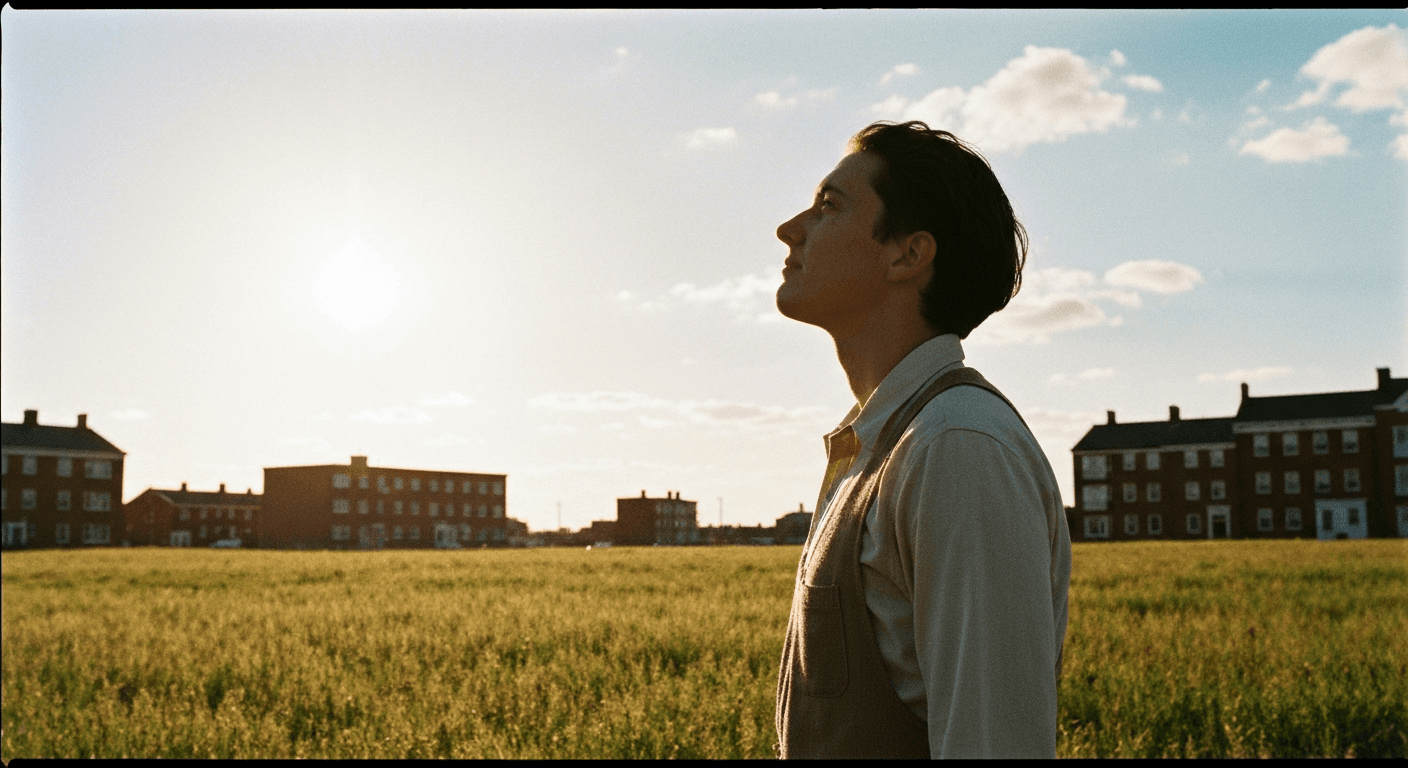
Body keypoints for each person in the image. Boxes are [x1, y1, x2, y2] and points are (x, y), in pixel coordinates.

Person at [772, 121, 1071, 759]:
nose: (789, 228)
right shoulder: (889, 444)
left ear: (908, 255)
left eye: (830, 206)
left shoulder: (957, 446)